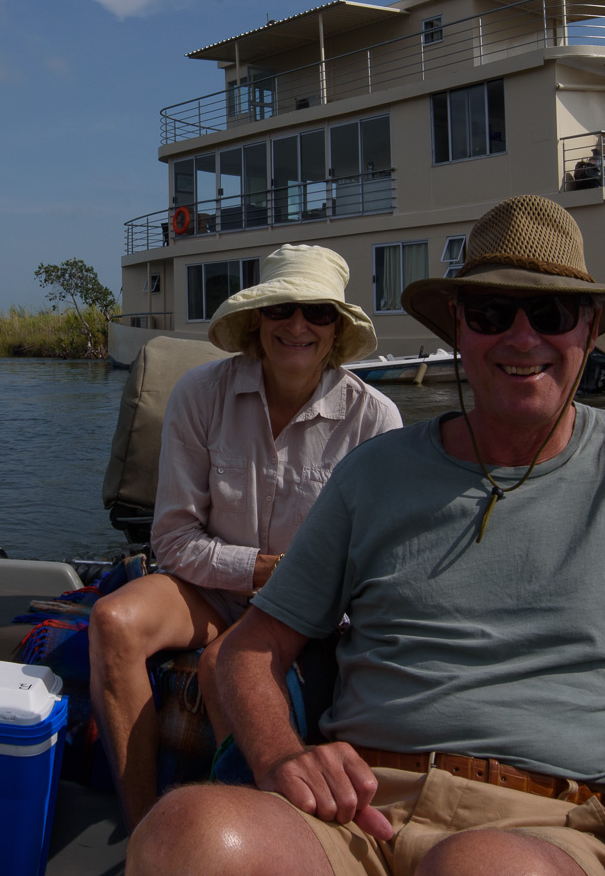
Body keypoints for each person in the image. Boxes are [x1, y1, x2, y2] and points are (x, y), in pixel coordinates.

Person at [129, 195, 605, 876]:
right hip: (358, 808)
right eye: (491, 313)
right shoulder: (373, 471)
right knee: (183, 833)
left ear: (589, 326)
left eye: (550, 313)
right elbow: (252, 649)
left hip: (548, 821)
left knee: (478, 867)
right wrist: (282, 756)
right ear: (459, 326)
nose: (522, 338)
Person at [89, 244, 402, 830]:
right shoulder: (199, 394)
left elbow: (370, 569)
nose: (298, 326)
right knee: (112, 621)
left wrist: (288, 593)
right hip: (207, 591)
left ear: (337, 328)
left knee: (224, 664)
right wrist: (263, 569)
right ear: (258, 319)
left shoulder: (375, 419)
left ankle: (251, 837)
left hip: (303, 616)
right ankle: (143, 831)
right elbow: (173, 540)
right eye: (281, 309)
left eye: (318, 312)